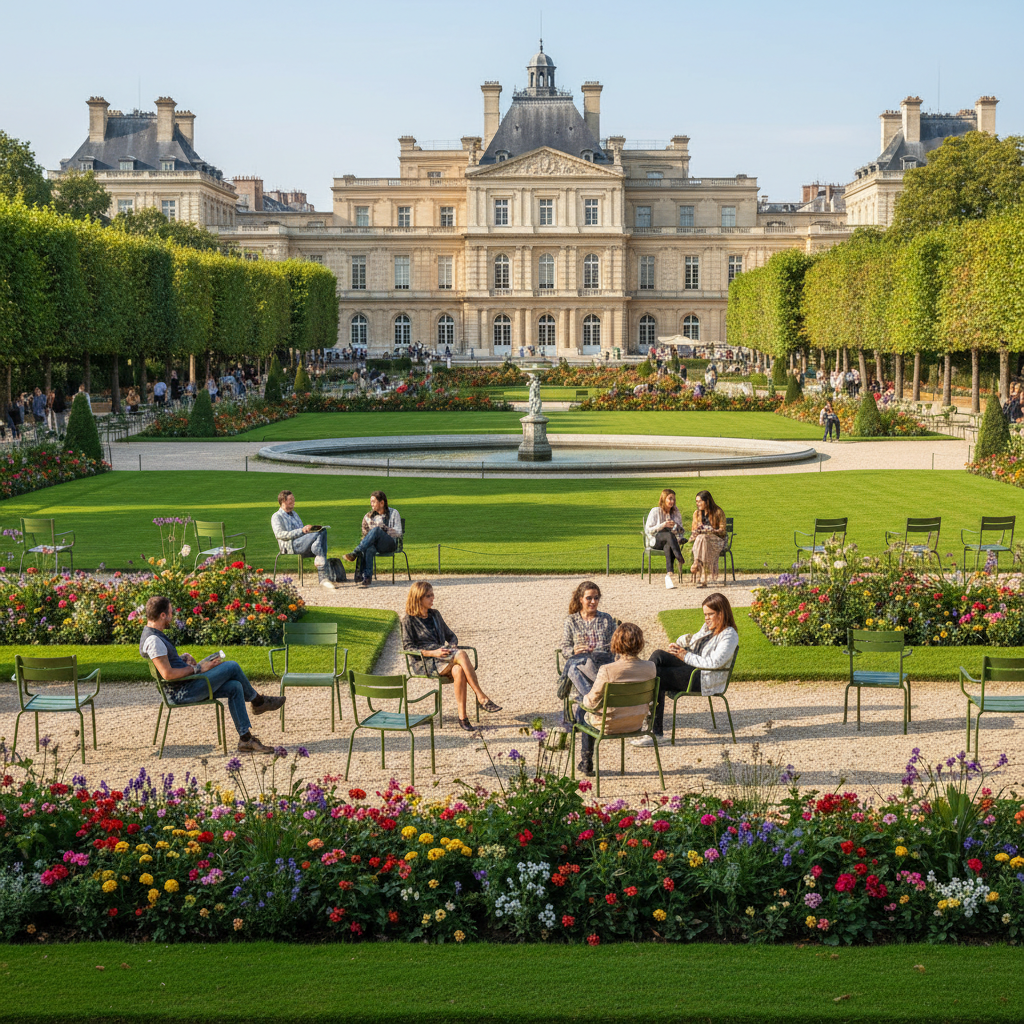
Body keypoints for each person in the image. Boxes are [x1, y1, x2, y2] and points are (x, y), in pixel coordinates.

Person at [140, 595, 284, 754]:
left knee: (235, 687)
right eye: (170, 613)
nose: (172, 617)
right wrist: (198, 668)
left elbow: (167, 664)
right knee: (231, 666)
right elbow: (167, 674)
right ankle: (258, 702)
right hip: (181, 693)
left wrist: (183, 659)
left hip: (185, 685)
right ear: (162, 615)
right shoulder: (154, 640)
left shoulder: (153, 635)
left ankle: (246, 740)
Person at [632, 591, 739, 746]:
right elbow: (694, 644)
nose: (706, 618)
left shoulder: (729, 635)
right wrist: (680, 648)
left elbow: (715, 663)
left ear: (722, 613)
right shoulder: (709, 628)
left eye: (710, 614)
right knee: (658, 655)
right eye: (705, 614)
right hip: (694, 668)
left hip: (704, 678)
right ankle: (639, 692)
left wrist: (685, 656)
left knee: (658, 676)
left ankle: (654, 732)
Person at [401, 581, 501, 731]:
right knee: (461, 654)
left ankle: (463, 718)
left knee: (459, 670)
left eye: (432, 594)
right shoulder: (408, 620)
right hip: (426, 662)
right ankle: (481, 697)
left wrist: (451, 647)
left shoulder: (435, 615)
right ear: (418, 598)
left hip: (445, 657)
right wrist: (434, 653)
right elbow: (408, 648)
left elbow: (451, 636)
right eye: (428, 596)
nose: (432, 598)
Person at [576, 622, 656, 776]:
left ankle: (586, 762)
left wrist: (582, 699)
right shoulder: (651, 667)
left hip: (610, 724)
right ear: (640, 643)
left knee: (581, 711)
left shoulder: (607, 670)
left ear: (616, 643)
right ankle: (586, 762)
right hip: (636, 723)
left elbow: (591, 703)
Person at [560, 580, 617, 711]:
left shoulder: (605, 619)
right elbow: (564, 648)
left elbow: (615, 645)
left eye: (596, 598)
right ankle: (595, 701)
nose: (593, 601)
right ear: (581, 599)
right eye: (589, 598)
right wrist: (574, 650)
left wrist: (601, 649)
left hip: (602, 664)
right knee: (576, 664)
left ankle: (589, 701)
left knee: (572, 667)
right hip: (582, 664)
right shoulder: (571, 621)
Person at [272, 489, 338, 590]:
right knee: (319, 540)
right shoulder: (276, 517)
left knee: (322, 531)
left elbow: (303, 532)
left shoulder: (295, 514)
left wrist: (308, 530)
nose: (294, 502)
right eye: (291, 500)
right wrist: (301, 531)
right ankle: (323, 577)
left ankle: (318, 556)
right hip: (290, 545)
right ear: (283, 501)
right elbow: (280, 534)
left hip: (302, 543)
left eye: (293, 499)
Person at [343, 490, 402, 588]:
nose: (371, 504)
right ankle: (367, 578)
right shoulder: (367, 517)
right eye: (371, 502)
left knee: (377, 530)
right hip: (374, 545)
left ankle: (356, 552)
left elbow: (399, 532)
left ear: (382, 503)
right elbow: (365, 535)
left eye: (374, 502)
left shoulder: (394, 513)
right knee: (369, 548)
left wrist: (384, 529)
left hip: (390, 544)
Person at [644, 488, 686, 589]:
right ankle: (678, 555)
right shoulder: (655, 511)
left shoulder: (675, 512)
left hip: (670, 542)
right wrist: (663, 525)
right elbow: (648, 530)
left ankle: (669, 574)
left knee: (669, 543)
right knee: (669, 535)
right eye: (670, 499)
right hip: (655, 540)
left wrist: (675, 526)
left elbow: (681, 530)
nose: (672, 501)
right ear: (663, 499)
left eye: (674, 499)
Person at [690, 490, 727, 588]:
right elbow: (693, 530)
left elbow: (723, 531)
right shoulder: (696, 514)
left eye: (700, 501)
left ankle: (697, 562)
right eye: (696, 501)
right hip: (702, 542)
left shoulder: (718, 512)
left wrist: (713, 530)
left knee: (703, 538)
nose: (697, 504)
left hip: (717, 541)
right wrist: (698, 529)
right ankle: (703, 577)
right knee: (702, 538)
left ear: (707, 501)